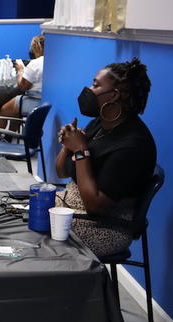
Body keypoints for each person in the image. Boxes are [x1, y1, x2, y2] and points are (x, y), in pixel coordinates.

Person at [55, 57, 156, 257]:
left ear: (115, 95)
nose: (89, 90)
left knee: (31, 237)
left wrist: (80, 150)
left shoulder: (133, 145)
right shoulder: (100, 124)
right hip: (72, 208)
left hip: (104, 227)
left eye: (96, 85)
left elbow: (95, 205)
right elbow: (62, 171)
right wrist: (69, 145)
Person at [0, 35, 44, 136]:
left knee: (4, 110)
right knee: (15, 109)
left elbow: (23, 86)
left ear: (35, 48)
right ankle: (10, 136)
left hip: (34, 101)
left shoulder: (35, 63)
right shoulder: (52, 61)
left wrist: (20, 71)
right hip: (44, 100)